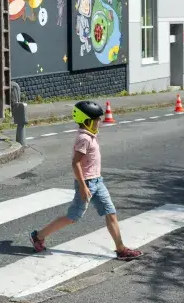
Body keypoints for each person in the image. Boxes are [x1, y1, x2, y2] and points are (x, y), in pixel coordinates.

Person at [30, 101, 142, 260]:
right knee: (72, 217)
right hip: (87, 183)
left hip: (98, 182)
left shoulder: (90, 136)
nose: (99, 123)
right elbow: (75, 163)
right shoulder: (84, 138)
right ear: (87, 121)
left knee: (111, 213)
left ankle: (121, 249)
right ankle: (38, 236)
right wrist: (83, 186)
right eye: (97, 120)